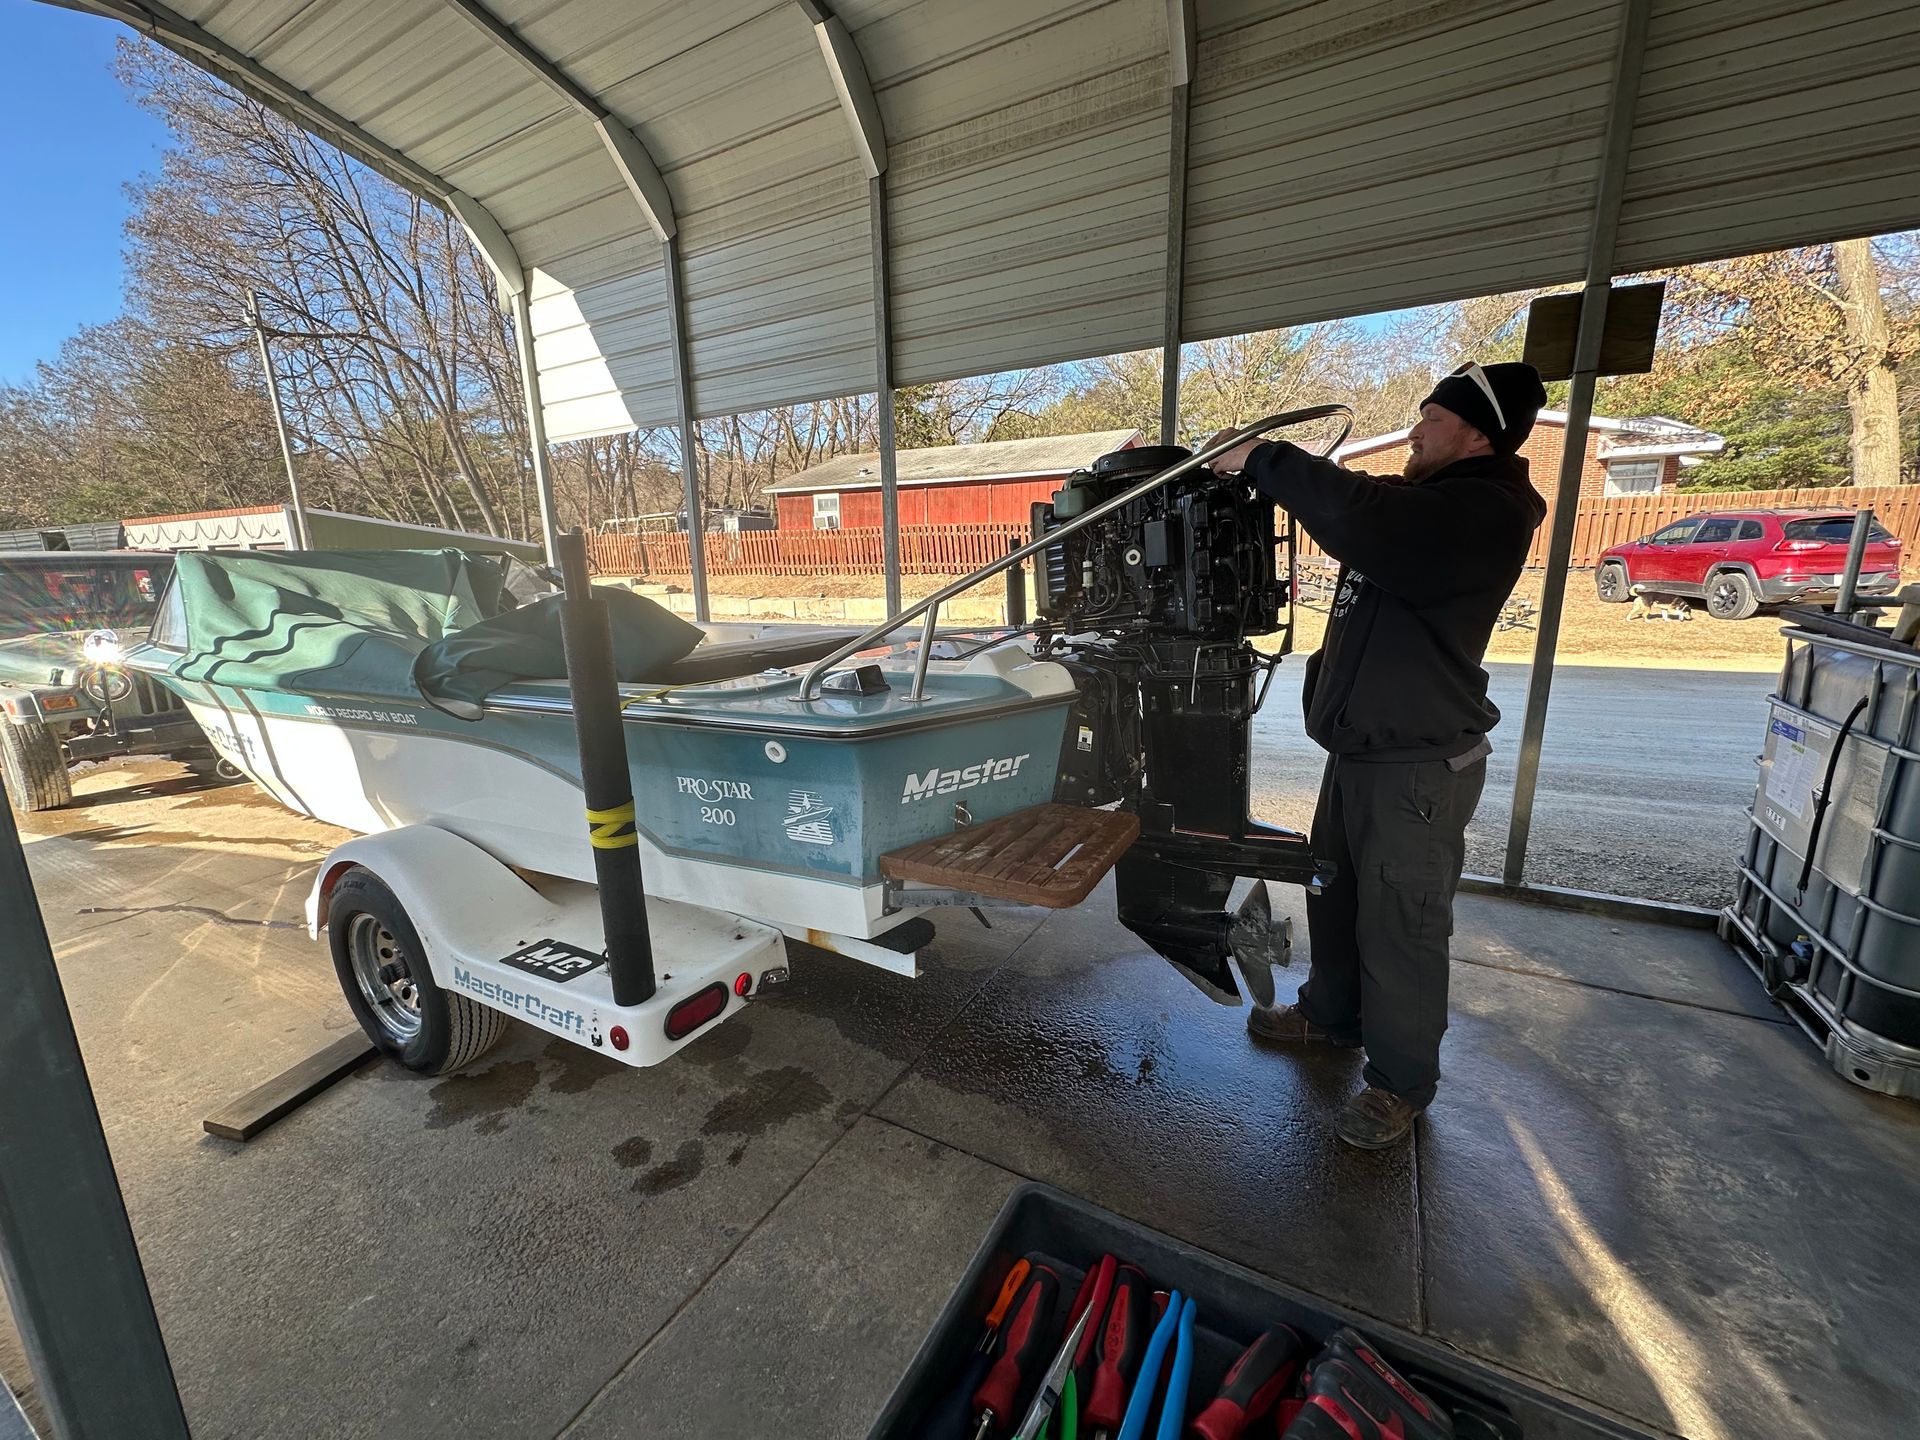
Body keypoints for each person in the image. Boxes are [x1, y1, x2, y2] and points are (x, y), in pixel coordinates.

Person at [1209, 361, 1548, 1149]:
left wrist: (1261, 456)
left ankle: (1399, 1083)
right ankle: (1332, 1017)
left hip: (1417, 769)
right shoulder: (1426, 501)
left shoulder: (1484, 513)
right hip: (1361, 752)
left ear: (1477, 434)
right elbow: (1359, 503)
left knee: (1401, 928)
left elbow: (1363, 515)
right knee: (1333, 894)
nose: (1416, 430)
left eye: (1432, 418)